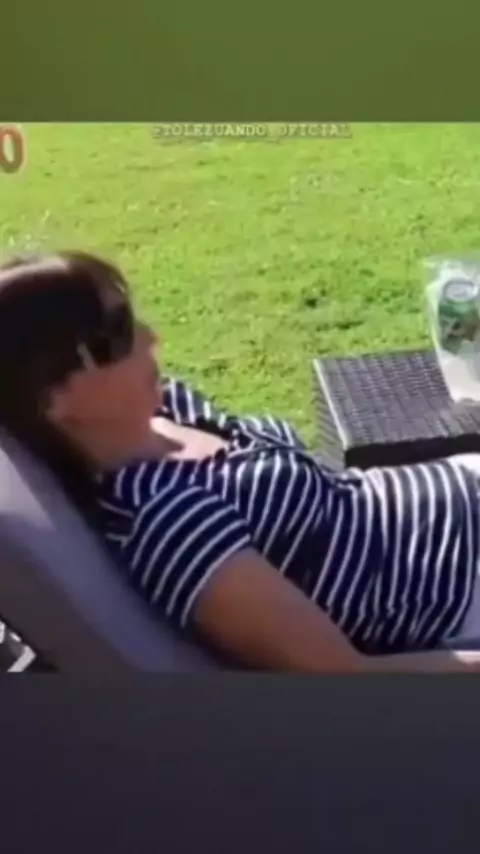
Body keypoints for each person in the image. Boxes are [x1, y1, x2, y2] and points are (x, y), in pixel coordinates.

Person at [1, 250, 480, 673]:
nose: (150, 337)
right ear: (53, 398)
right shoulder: (170, 519)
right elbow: (343, 673)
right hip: (457, 589)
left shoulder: (167, 409)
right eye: (119, 333)